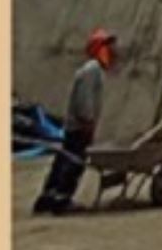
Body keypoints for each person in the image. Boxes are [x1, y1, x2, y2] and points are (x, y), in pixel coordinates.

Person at [33, 28, 116, 215]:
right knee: (73, 164)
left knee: (63, 160)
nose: (110, 52)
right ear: (98, 49)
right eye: (106, 47)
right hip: (80, 127)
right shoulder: (92, 70)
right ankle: (61, 200)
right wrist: (88, 121)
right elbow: (85, 100)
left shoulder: (91, 70)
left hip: (75, 126)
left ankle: (48, 198)